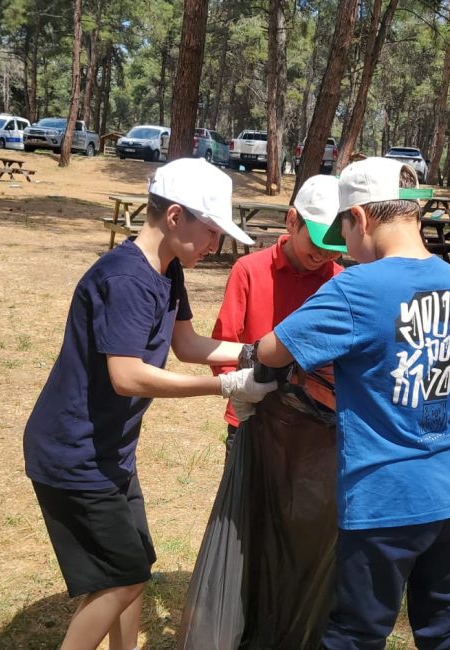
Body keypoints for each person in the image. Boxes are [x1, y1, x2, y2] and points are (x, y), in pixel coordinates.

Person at [22, 158, 277, 650]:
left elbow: (188, 345)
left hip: (109, 448)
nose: (215, 245)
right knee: (122, 578)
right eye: (211, 232)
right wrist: (224, 387)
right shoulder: (127, 280)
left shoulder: (167, 270)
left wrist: (258, 353)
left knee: (132, 565)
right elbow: (127, 376)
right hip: (74, 452)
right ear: (176, 217)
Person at [256, 157, 450, 650]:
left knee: (356, 633)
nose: (342, 248)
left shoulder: (356, 288)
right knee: (446, 625)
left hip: (387, 495)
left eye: (342, 231)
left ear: (359, 218)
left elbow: (274, 349)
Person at [210, 175, 346, 458]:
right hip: (253, 416)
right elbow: (224, 342)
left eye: (334, 246)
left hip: (315, 421)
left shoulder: (339, 281)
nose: (324, 253)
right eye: (318, 241)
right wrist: (239, 388)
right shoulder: (248, 269)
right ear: (293, 220)